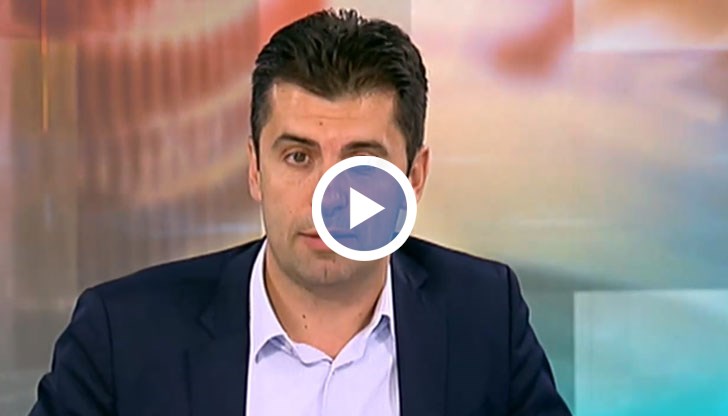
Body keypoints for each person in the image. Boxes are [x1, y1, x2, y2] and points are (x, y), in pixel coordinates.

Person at [29, 8, 571, 416]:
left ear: (414, 178)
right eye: (298, 157)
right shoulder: (123, 336)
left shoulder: (484, 317)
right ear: (254, 169)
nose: (326, 197)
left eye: (360, 162)